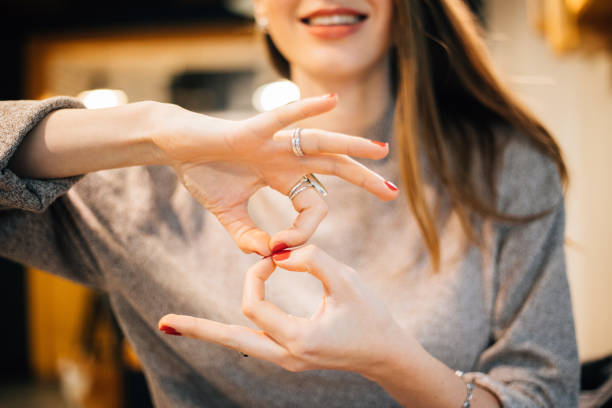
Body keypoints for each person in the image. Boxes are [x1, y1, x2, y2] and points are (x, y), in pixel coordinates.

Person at [0, 0, 579, 407]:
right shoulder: (152, 178)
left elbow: (546, 394)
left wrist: (394, 361)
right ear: (257, 6)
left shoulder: (504, 168)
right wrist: (153, 129)